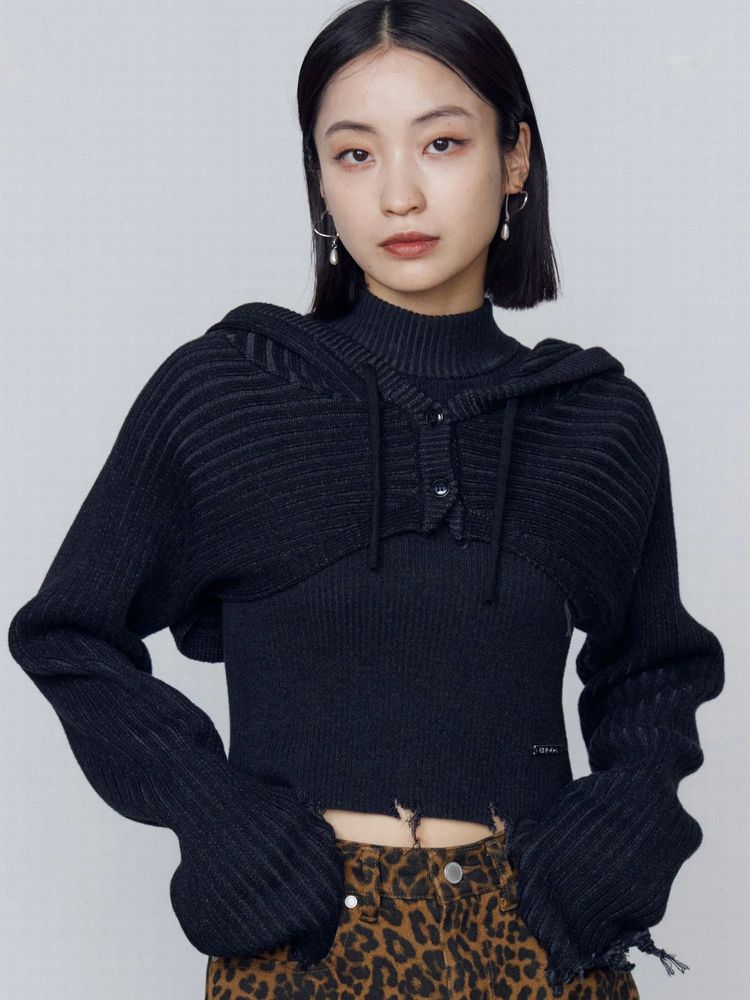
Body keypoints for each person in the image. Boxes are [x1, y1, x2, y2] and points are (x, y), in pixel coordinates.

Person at [7, 2, 725, 998]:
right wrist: (216, 813)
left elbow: (655, 668)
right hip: (306, 950)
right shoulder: (230, 393)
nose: (398, 193)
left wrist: (618, 839)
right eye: (353, 154)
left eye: (442, 143)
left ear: (515, 158)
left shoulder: (593, 421)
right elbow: (69, 634)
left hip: (538, 950)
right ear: (320, 182)